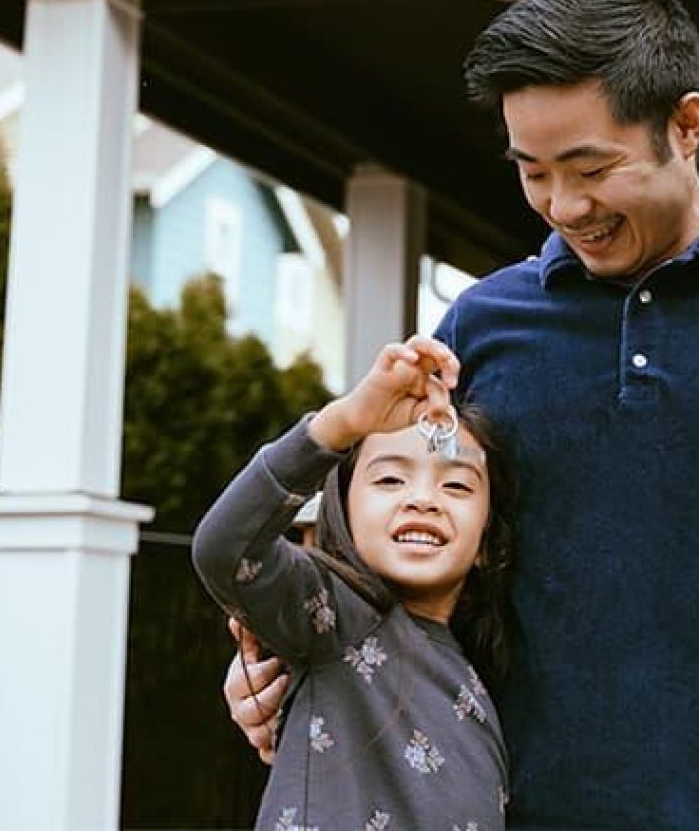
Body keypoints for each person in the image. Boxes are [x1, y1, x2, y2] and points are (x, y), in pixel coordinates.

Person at [225, 0, 699, 829]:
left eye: (592, 169)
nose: (566, 207)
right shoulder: (484, 326)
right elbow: (384, 544)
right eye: (534, 174)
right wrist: (290, 662)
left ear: (687, 124)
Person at [193, 336, 516, 831]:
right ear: (341, 511)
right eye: (389, 480)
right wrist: (346, 422)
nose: (423, 499)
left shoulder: (476, 679)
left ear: (488, 542)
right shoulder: (334, 617)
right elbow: (225, 549)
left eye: (456, 485)